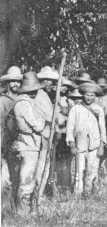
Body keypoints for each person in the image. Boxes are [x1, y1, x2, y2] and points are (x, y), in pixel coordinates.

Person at [12, 72, 48, 213]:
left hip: (32, 144)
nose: (33, 92)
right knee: (27, 179)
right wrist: (44, 121)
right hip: (27, 144)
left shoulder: (27, 101)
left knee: (30, 178)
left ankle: (26, 211)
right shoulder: (24, 103)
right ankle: (22, 213)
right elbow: (37, 125)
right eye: (31, 90)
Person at [66, 82, 107, 195]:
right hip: (79, 145)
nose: (89, 98)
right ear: (83, 95)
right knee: (78, 172)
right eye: (87, 95)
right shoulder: (75, 109)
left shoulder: (99, 110)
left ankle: (88, 193)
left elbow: (102, 129)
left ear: (95, 96)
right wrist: (71, 144)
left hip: (94, 145)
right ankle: (77, 195)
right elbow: (69, 128)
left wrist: (102, 146)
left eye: (92, 95)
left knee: (92, 171)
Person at [0, 66, 23, 209]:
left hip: (19, 143)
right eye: (13, 82)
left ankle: (15, 207)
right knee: (6, 178)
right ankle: (4, 209)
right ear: (7, 83)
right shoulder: (2, 100)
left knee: (18, 176)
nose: (16, 84)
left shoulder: (22, 99)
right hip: (5, 142)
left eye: (18, 82)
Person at [34, 66, 59, 198]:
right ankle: (37, 196)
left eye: (52, 81)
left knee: (45, 165)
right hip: (41, 135)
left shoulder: (48, 96)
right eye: (46, 80)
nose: (50, 84)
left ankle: (40, 194)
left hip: (48, 134)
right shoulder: (37, 95)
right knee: (41, 165)